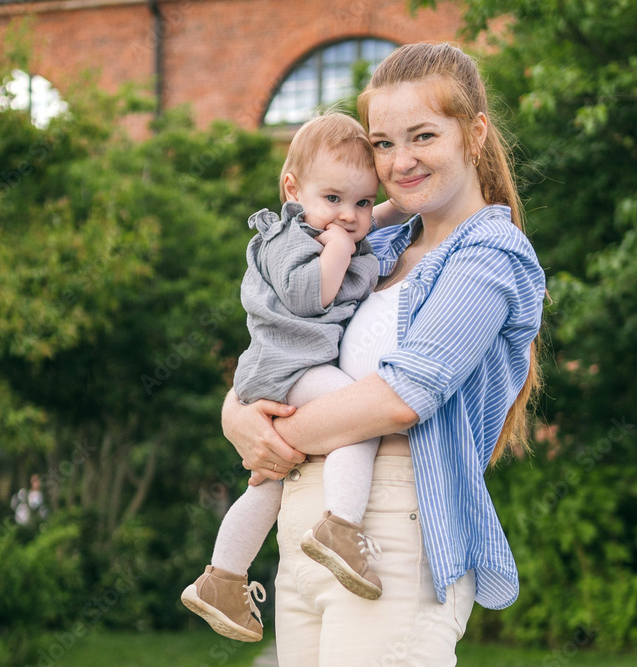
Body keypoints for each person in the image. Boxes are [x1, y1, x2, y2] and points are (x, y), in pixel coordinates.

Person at [220, 42, 547, 665]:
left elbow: (402, 398)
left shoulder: (490, 257)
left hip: (395, 533)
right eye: (384, 143)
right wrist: (236, 415)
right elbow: (278, 343)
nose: (400, 162)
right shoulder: (376, 244)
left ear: (474, 134)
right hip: (304, 525)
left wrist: (276, 435)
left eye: (423, 136)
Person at [181, 112, 410, 643]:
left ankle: (222, 579)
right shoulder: (289, 237)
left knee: (270, 480)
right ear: (292, 188)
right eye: (333, 199)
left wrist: (400, 204)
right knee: (359, 420)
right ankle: (341, 528)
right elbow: (311, 295)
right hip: (291, 369)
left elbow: (370, 213)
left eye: (361, 201)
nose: (349, 217)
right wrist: (337, 248)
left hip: (285, 372)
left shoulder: (333, 225)